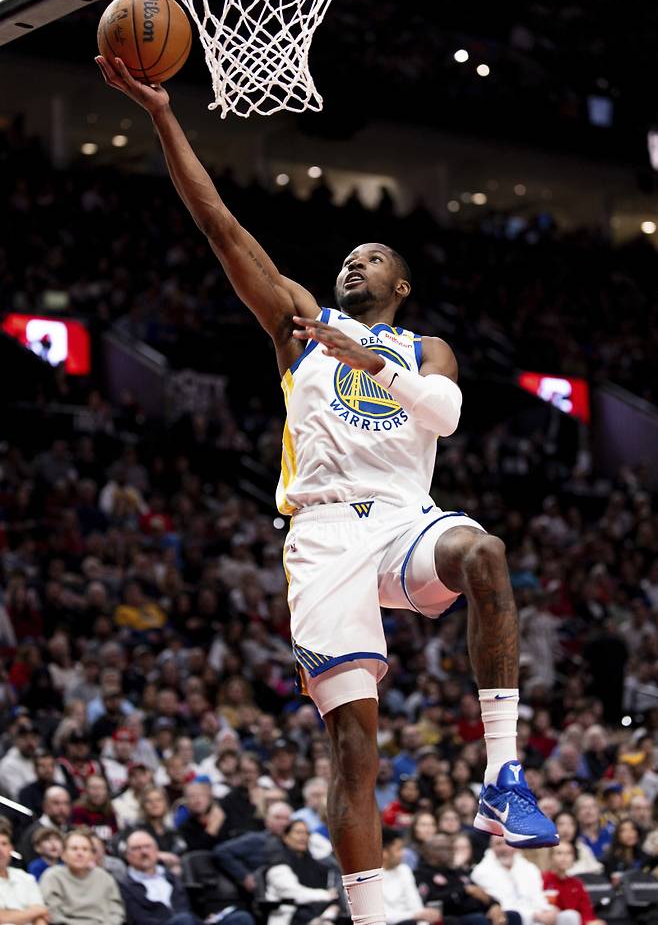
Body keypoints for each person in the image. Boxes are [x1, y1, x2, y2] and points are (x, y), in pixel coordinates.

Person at [95, 52, 558, 925]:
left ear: (400, 285)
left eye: (372, 256)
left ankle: (504, 775)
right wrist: (162, 115)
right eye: (348, 256)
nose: (354, 264)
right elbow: (220, 224)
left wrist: (369, 360)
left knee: (485, 551)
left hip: (406, 521)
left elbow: (447, 415)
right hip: (323, 538)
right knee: (354, 745)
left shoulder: (425, 348)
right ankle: (369, 915)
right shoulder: (300, 325)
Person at [414, 833, 519, 925]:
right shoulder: (422, 874)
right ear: (427, 851)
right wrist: (464, 891)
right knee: (478, 919)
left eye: (450, 848)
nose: (448, 851)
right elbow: (430, 900)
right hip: (453, 916)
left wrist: (494, 905)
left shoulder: (457, 871)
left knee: (513, 915)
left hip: (477, 911)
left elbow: (479, 892)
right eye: (441, 848)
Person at [472, 836, 567, 925]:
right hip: (511, 919)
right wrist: (535, 916)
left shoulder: (529, 868)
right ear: (491, 847)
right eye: (498, 844)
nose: (504, 848)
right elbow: (502, 905)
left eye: (508, 843)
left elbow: (538, 897)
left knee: (568, 916)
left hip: (538, 915)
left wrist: (548, 910)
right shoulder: (481, 872)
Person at [40, 828, 124, 925]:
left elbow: (116, 911)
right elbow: (51, 912)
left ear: (92, 855)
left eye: (85, 849)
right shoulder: (52, 876)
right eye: (74, 849)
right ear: (63, 854)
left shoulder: (105, 877)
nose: (80, 853)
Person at [265, 819, 341, 925]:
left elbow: (332, 891)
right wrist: (327, 895)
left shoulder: (314, 864)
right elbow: (294, 894)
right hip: (289, 918)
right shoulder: (278, 865)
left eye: (306, 833)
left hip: (318, 914)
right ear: (285, 837)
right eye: (298, 832)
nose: (303, 837)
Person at [120, 829, 202, 925]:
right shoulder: (125, 886)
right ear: (127, 855)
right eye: (137, 848)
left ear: (157, 850)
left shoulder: (171, 877)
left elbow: (186, 907)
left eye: (147, 846)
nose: (144, 852)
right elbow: (140, 920)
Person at [213, 800, 293, 892]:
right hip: (264, 890)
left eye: (287, 819)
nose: (283, 823)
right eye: (277, 818)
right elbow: (221, 851)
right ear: (267, 820)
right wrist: (244, 876)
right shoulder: (256, 839)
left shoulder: (296, 844)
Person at [381, 827, 442, 925]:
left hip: (413, 920)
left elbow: (416, 904)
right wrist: (414, 916)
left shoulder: (404, 870)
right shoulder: (372, 877)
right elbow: (383, 916)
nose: (403, 854)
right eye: (398, 850)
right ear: (384, 852)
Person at [542, 842, 605, 925]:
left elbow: (587, 912)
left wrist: (590, 922)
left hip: (575, 921)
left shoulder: (577, 884)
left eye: (568, 853)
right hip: (549, 921)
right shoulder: (542, 879)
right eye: (559, 853)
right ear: (551, 857)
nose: (564, 857)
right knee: (570, 915)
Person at [0, 826, 49, 925]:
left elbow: (41, 916)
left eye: (4, 844)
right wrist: (35, 912)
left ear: (11, 848)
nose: (0, 849)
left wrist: (9, 915)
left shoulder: (26, 877)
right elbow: (1, 918)